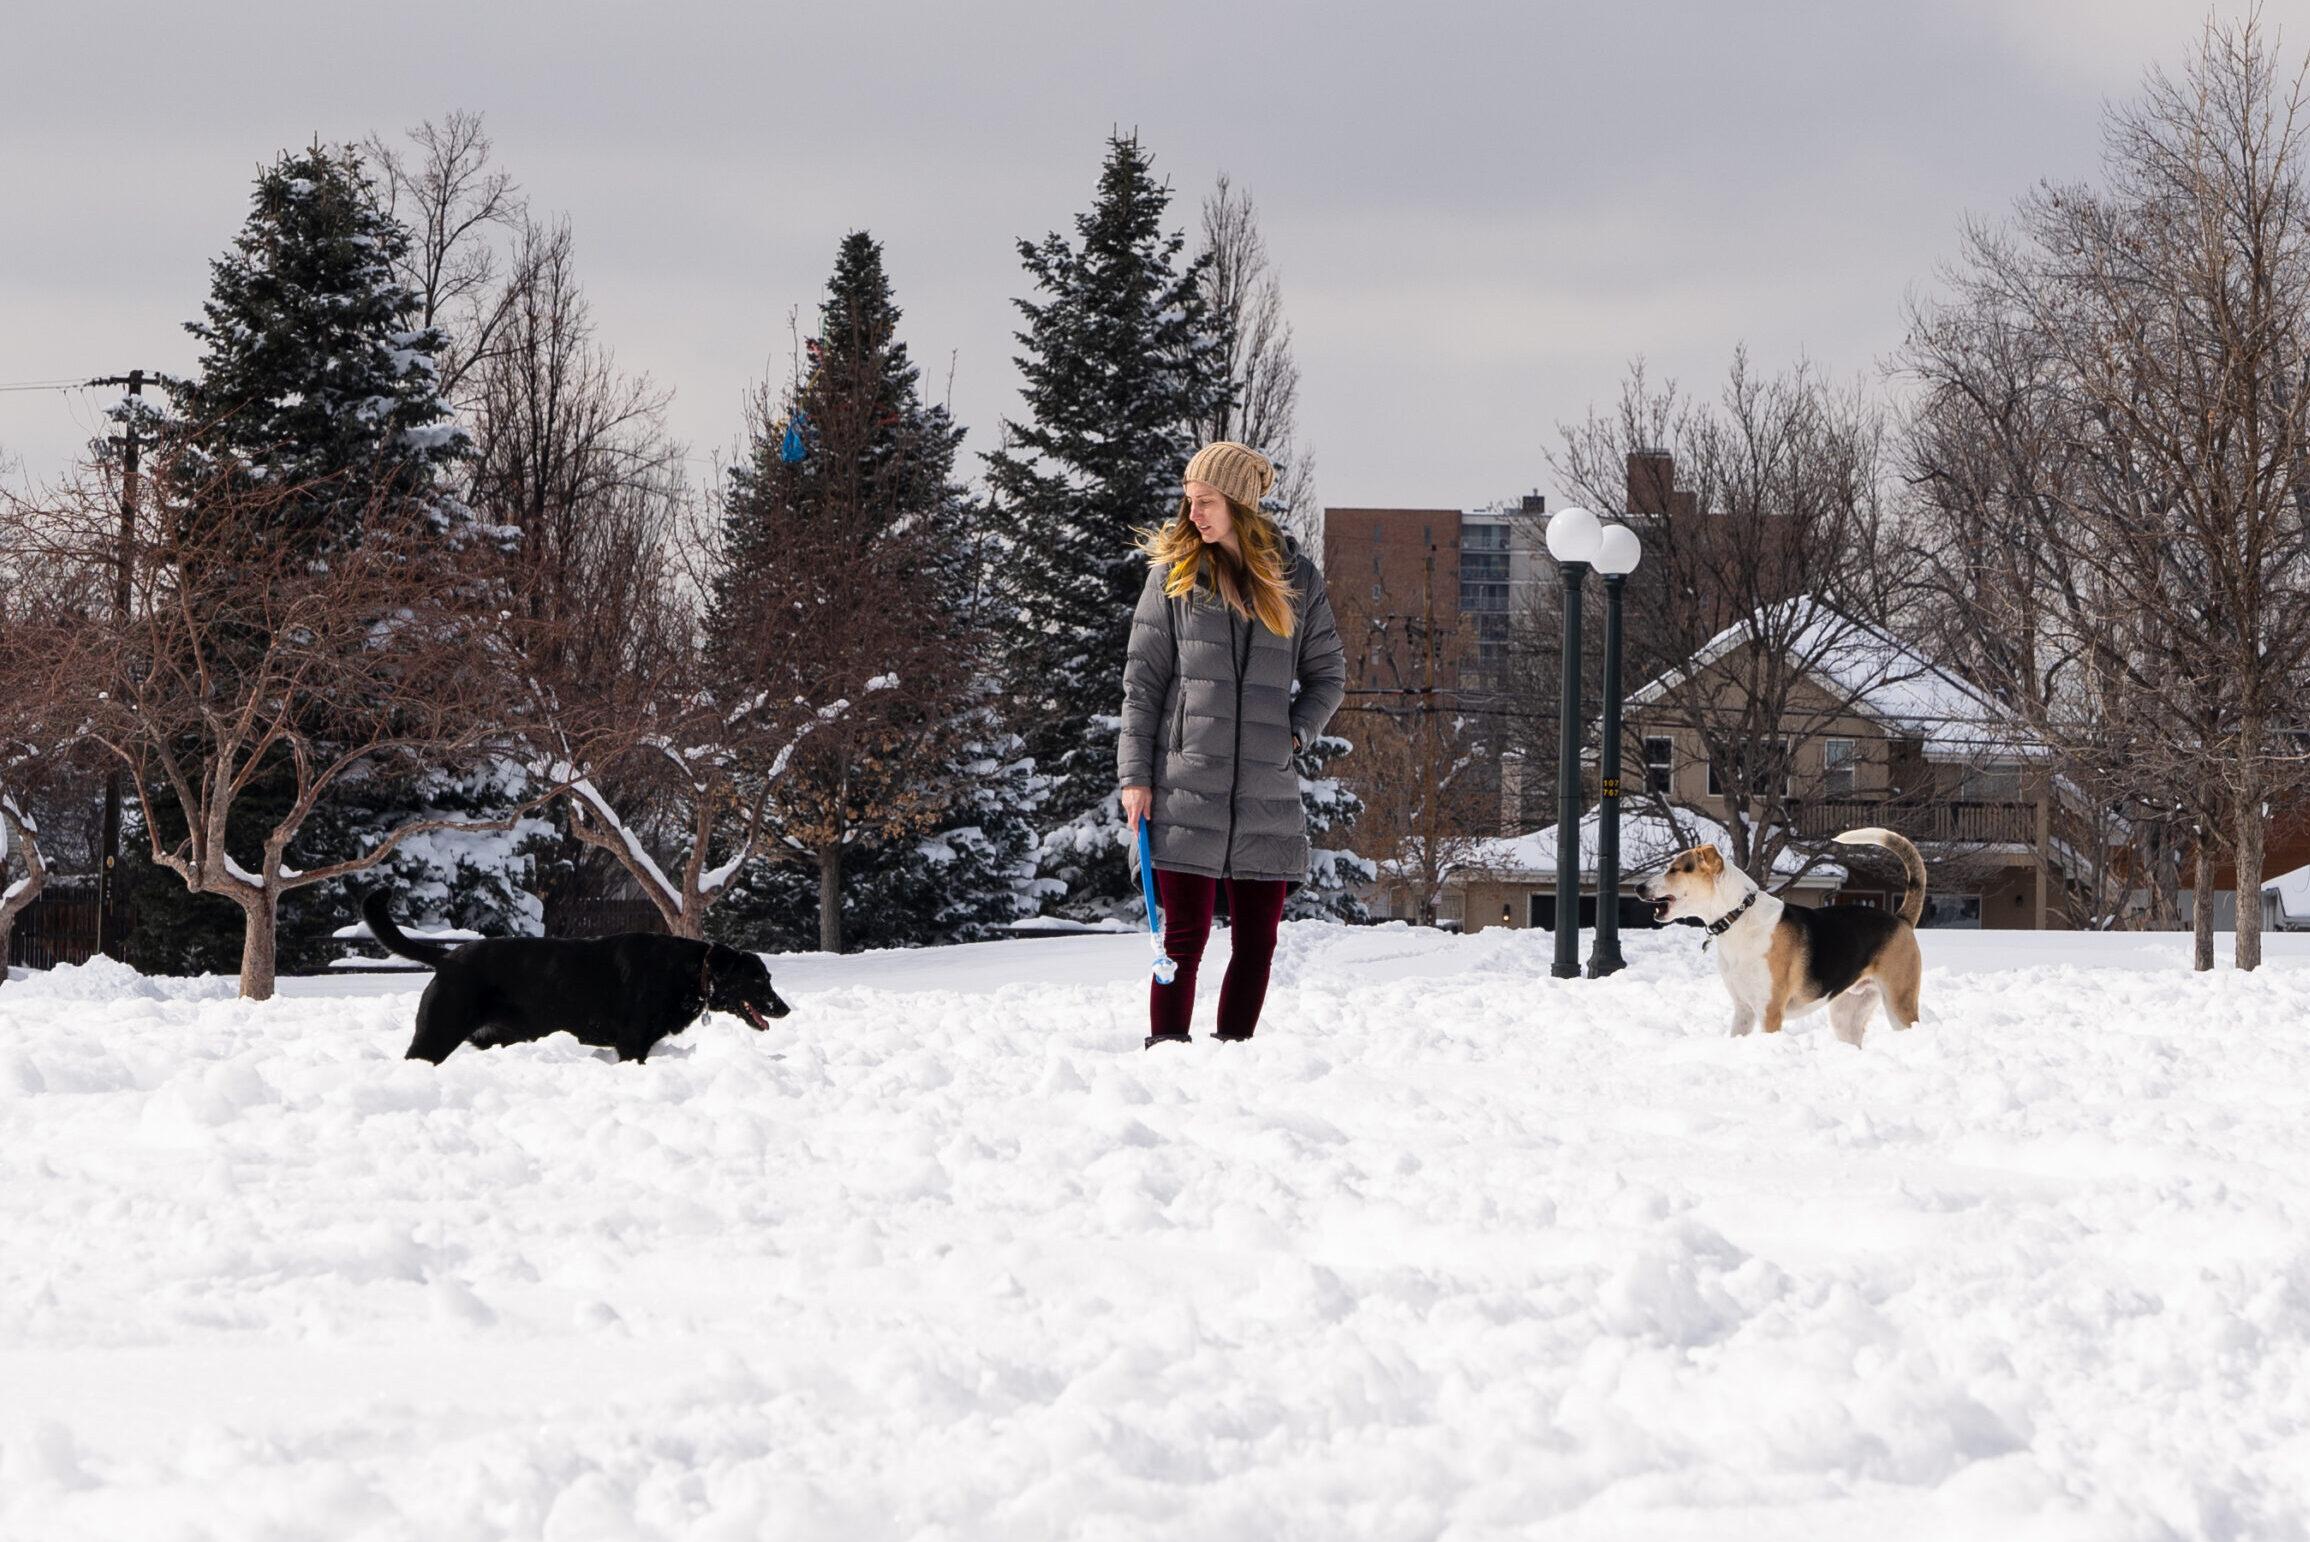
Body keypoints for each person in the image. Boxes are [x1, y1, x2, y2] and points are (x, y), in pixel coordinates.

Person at [1117, 441, 1346, 1048]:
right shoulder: (1175, 577)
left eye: (1206, 501)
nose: (1192, 514)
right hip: (1183, 785)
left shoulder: (1296, 579)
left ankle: (1233, 1061)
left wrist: (1294, 730)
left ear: (1240, 504)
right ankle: (1167, 1057)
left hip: (1266, 791)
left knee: (1257, 944)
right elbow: (1142, 685)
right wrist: (1134, 776)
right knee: (1183, 939)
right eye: (1189, 501)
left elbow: (1329, 675)